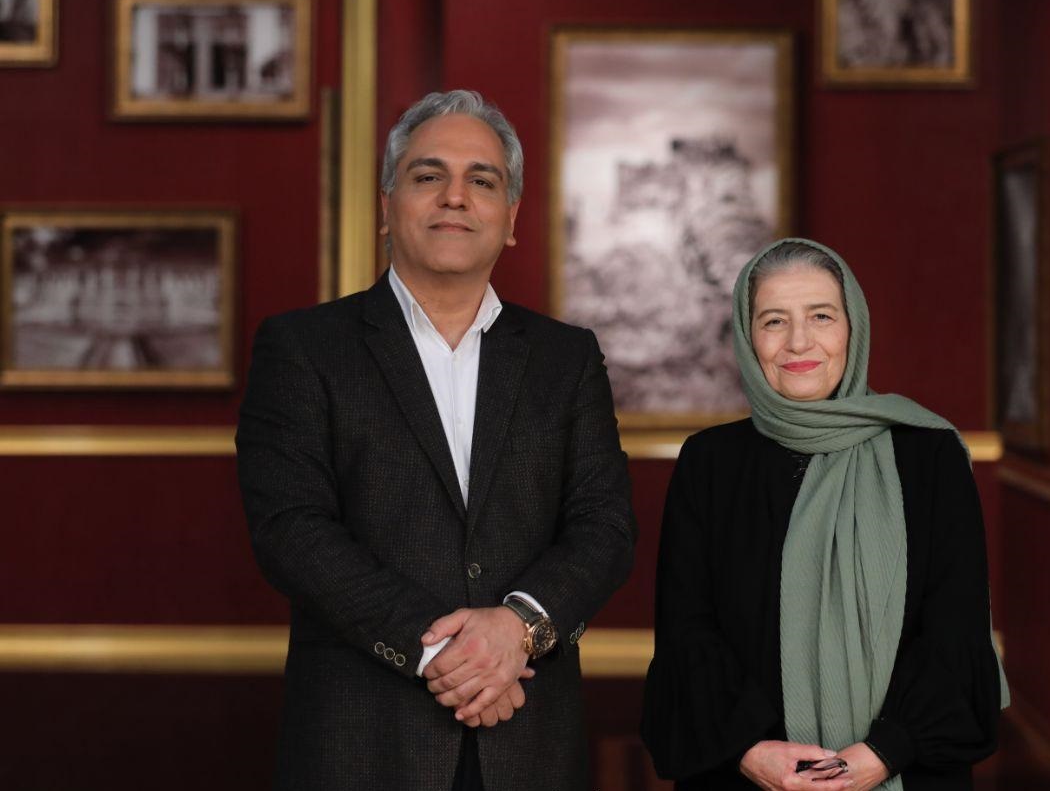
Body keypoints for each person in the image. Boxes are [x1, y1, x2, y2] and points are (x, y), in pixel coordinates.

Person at [237, 89, 637, 791]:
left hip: (531, 746)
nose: (456, 197)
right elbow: (291, 531)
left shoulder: (566, 358)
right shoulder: (303, 348)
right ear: (386, 206)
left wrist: (517, 628)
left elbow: (604, 527)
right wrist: (445, 653)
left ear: (511, 218)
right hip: (361, 748)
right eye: (429, 176)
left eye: (482, 180)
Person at [641, 238, 1008, 790]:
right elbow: (686, 633)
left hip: (907, 768)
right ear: (746, 336)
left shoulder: (929, 456)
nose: (799, 341)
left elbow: (956, 629)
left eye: (821, 316)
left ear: (852, 327)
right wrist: (749, 750)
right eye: (773, 321)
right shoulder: (709, 463)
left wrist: (885, 752)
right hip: (744, 773)